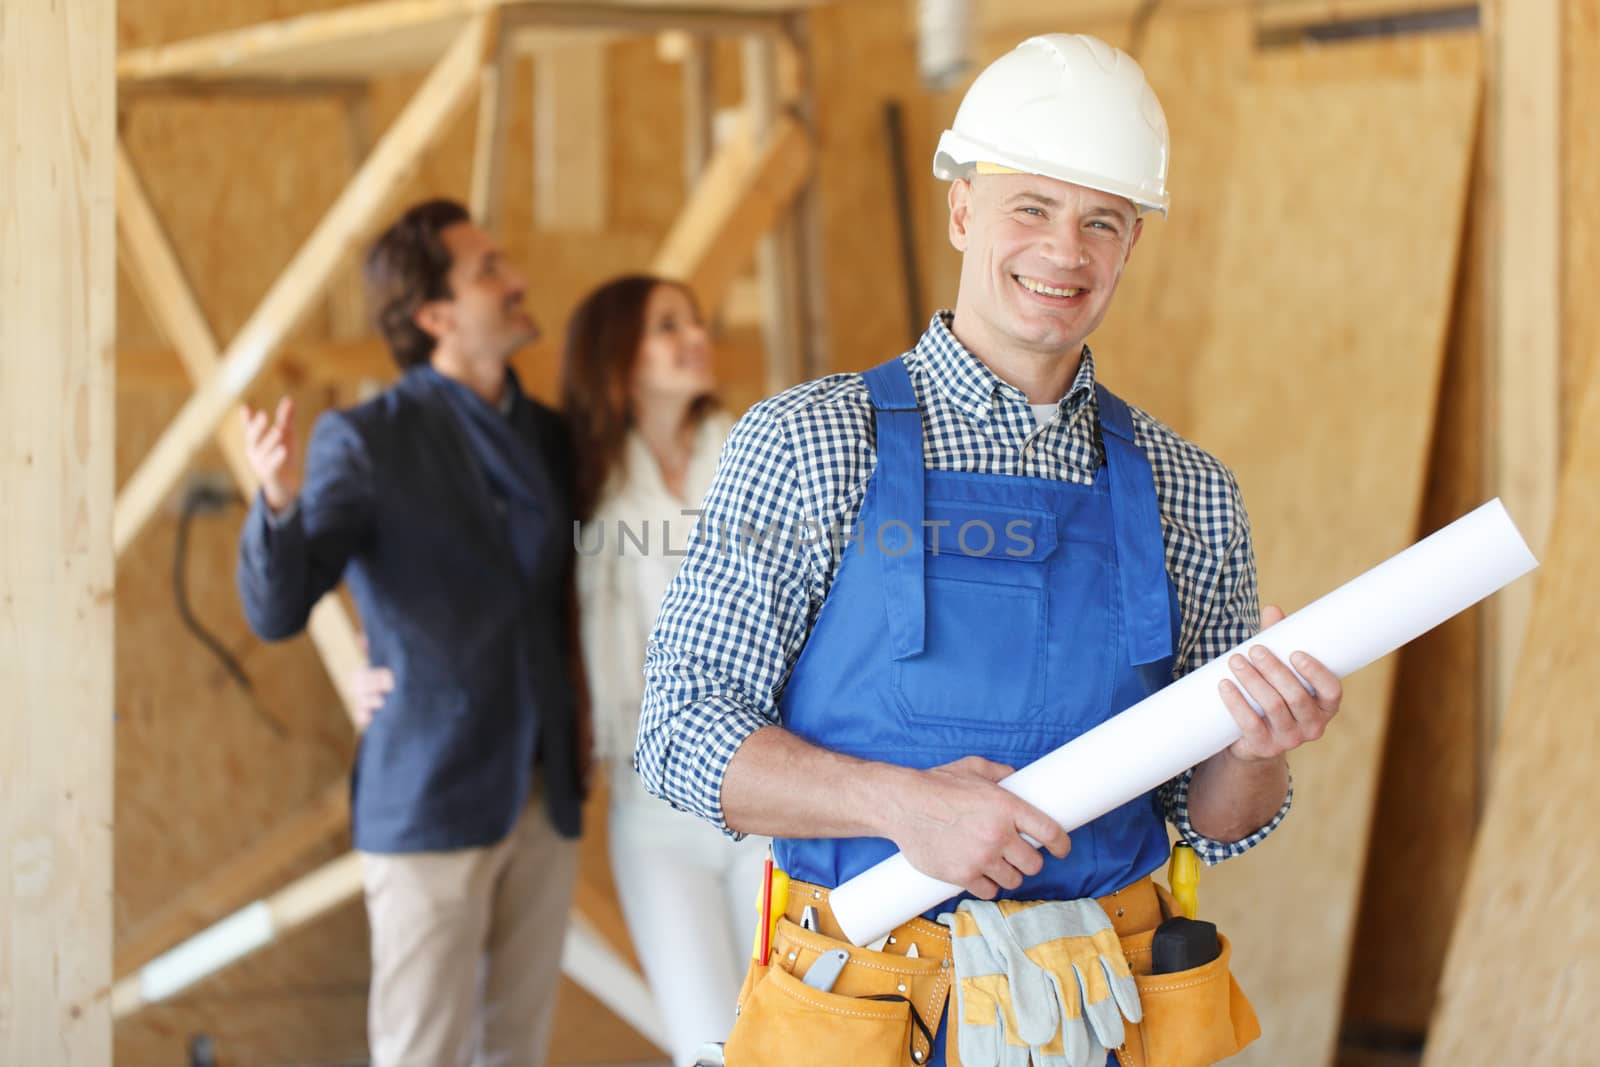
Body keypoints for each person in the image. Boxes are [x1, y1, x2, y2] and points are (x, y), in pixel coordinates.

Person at [636, 34, 1344, 1067]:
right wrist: (898, 803)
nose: (1065, 252)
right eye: (1032, 208)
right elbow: (679, 727)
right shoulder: (807, 443)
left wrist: (1257, 747)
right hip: (864, 1006)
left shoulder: (1191, 491)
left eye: (1101, 221)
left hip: (1098, 1013)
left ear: (1130, 244)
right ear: (963, 208)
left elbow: (1215, 821)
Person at [236, 198, 585, 1067]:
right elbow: (281, 609)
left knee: (517, 1050)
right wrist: (276, 501)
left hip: (548, 788)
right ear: (434, 315)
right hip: (431, 790)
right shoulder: (365, 440)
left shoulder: (550, 434)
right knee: (420, 1052)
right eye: (489, 272)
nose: (518, 282)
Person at [562, 275, 770, 1066]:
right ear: (618, 356)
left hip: (766, 785)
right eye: (667, 326)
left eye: (698, 321)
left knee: (796, 1027)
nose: (695, 338)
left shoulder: (752, 450)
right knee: (707, 1044)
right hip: (653, 810)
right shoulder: (588, 482)